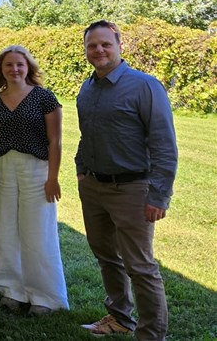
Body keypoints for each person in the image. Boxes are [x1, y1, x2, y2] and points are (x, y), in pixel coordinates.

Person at [75, 21, 177, 339]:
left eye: (106, 44)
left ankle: (151, 334)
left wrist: (158, 196)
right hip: (93, 186)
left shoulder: (145, 86)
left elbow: (164, 144)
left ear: (120, 45)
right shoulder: (87, 87)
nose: (99, 50)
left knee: (140, 266)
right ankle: (119, 317)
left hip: (132, 189)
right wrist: (81, 170)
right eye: (93, 45)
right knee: (105, 255)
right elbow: (86, 135)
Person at [0, 45, 69, 315]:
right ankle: (12, 291)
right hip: (3, 169)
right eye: (8, 65)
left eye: (19, 64)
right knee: (6, 230)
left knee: (37, 231)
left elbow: (55, 141)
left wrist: (52, 178)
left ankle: (45, 297)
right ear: (1, 70)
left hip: (36, 169)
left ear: (28, 67)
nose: (14, 69)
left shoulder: (44, 98)